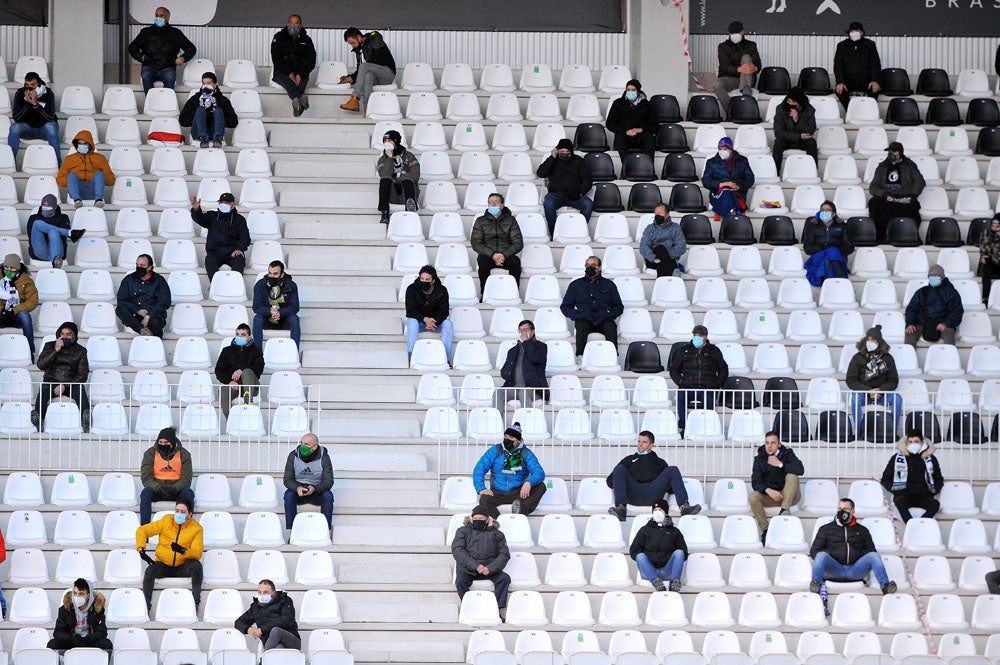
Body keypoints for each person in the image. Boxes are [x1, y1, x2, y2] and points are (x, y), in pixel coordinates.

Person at [607, 431, 702, 521]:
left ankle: (684, 507)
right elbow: (610, 482)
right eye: (639, 441)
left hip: (652, 493)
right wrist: (623, 481)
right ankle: (621, 509)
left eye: (644, 442)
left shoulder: (659, 462)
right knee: (620, 468)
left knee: (672, 469)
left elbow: (671, 489)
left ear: (651, 445)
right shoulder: (628, 460)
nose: (640, 444)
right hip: (633, 493)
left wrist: (661, 483)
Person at [809, 497, 897, 595]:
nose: (842, 511)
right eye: (839, 509)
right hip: (834, 570)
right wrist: (834, 552)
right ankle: (816, 586)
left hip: (855, 570)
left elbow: (871, 551)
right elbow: (814, 552)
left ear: (853, 511)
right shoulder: (826, 529)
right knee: (821, 555)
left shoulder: (862, 530)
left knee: (873, 556)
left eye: (845, 509)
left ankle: (885, 586)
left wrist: (856, 553)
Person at [136, 495, 204, 612]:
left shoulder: (197, 529)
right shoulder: (166, 521)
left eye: (183, 512)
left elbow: (197, 553)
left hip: (183, 566)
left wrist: (182, 551)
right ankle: (146, 605)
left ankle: (195, 602)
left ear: (190, 514)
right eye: (177, 511)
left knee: (196, 566)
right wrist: (141, 549)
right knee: (150, 571)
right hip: (164, 565)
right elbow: (142, 530)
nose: (179, 514)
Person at [472, 423, 546, 517]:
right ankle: (499, 522)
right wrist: (481, 488)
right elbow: (479, 468)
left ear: (518, 441)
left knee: (541, 486)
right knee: (484, 499)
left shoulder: (526, 453)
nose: (507, 439)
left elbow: (539, 472)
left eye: (511, 437)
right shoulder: (496, 450)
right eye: (506, 436)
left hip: (518, 493)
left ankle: (519, 511)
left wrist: (528, 482)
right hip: (497, 492)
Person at [452, 504, 511, 621]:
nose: (478, 521)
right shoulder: (462, 531)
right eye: (476, 518)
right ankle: (467, 607)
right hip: (468, 569)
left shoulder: (497, 534)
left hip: (489, 570)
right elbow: (458, 551)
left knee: (504, 578)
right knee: (460, 581)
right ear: (472, 518)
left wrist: (490, 568)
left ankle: (497, 609)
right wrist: (476, 566)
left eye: (481, 519)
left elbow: (504, 554)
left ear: (487, 519)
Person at [668, 325, 729, 435]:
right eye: (695, 336)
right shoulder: (684, 350)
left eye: (700, 336)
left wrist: (717, 384)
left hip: (707, 387)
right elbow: (674, 369)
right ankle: (683, 426)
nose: (697, 338)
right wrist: (680, 382)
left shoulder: (714, 351)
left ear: (706, 337)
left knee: (709, 400)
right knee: (680, 396)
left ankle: (708, 427)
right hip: (687, 386)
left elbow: (723, 368)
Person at [560, 256, 624, 358]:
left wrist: (608, 314)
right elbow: (565, 306)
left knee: (610, 326)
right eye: (587, 265)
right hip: (585, 319)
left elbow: (618, 306)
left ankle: (613, 356)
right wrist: (578, 315)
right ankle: (580, 357)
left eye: (593, 265)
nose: (590, 267)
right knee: (582, 325)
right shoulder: (576, 285)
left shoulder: (609, 285)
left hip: (603, 319)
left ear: (600, 268)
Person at [33, 322, 90, 432]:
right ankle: (39, 419)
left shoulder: (81, 351)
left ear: (73, 336)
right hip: (51, 380)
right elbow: (41, 365)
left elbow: (83, 375)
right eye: (62, 334)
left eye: (68, 334)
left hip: (70, 383)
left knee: (80, 389)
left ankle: (86, 419)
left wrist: (64, 385)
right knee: (44, 388)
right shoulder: (49, 345)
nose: (64, 337)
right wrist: (55, 350)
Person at [749, 431, 805, 544]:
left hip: (789, 495)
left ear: (779, 444)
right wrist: (767, 490)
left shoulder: (787, 453)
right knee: (753, 496)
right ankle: (766, 530)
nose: (769, 446)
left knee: (792, 475)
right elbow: (755, 481)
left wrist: (780, 464)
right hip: (771, 496)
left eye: (773, 443)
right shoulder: (759, 459)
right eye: (767, 443)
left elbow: (800, 469)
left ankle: (785, 510)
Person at [846, 325, 902, 433]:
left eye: (874, 340)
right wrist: (868, 390)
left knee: (897, 399)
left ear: (879, 342)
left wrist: (880, 390)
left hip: (882, 395)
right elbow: (851, 380)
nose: (871, 342)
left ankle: (892, 430)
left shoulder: (887, 358)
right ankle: (859, 431)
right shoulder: (858, 357)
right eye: (869, 339)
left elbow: (893, 380)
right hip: (864, 395)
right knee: (855, 398)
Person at [127, 6, 196, 93]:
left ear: (168, 17)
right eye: (156, 15)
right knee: (146, 76)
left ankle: (167, 105)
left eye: (161, 15)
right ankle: (150, 103)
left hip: (168, 67)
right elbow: (132, 47)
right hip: (149, 66)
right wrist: (141, 57)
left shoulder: (175, 33)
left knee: (170, 78)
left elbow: (191, 48)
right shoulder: (146, 32)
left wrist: (183, 58)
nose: (158, 18)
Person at [880, 429, 944, 523]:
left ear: (922, 442)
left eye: (916, 441)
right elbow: (885, 479)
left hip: (924, 496)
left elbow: (939, 479)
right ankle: (911, 525)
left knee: (935, 504)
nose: (913, 444)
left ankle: (919, 524)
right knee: (900, 503)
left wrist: (932, 491)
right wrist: (896, 490)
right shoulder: (897, 458)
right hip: (904, 496)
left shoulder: (930, 459)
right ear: (906, 443)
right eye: (910, 442)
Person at [868, 142, 925, 244]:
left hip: (904, 197)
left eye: (894, 151)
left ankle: (908, 235)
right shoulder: (882, 167)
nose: (891, 154)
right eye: (889, 151)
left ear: (900, 152)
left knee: (911, 207)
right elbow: (873, 187)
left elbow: (919, 182)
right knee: (875, 204)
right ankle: (881, 237)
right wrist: (885, 195)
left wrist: (912, 195)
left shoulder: (910, 166)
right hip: (886, 197)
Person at [537, 138, 594, 239]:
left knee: (588, 204)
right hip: (556, 195)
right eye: (562, 151)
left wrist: (581, 192)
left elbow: (587, 179)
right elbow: (541, 173)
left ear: (571, 151)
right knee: (548, 203)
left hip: (575, 195)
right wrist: (552, 157)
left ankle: (579, 231)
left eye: (567, 151)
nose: (564, 153)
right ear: (557, 150)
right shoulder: (553, 160)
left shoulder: (579, 161)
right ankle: (554, 233)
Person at [139, 427, 195, 525]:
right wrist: (158, 487)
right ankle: (145, 529)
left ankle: (187, 526)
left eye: (166, 443)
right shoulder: (150, 453)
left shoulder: (184, 454)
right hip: (157, 490)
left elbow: (186, 478)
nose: (163, 445)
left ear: (172, 442)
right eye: (161, 442)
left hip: (176, 491)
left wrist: (175, 488)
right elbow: (146, 477)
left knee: (188, 493)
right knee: (145, 494)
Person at [471, 193, 523, 297]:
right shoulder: (480, 221)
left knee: (515, 262)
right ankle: (485, 294)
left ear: (502, 205)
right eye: (490, 202)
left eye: (496, 202)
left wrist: (504, 255)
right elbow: (476, 242)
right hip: (489, 255)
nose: (493, 204)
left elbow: (518, 242)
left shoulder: (511, 220)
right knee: (482, 260)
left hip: (506, 255)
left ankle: (513, 294)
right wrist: (492, 255)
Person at [629, 500, 689, 592]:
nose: (657, 512)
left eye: (660, 510)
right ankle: (656, 583)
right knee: (640, 556)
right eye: (655, 510)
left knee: (679, 552)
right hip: (649, 571)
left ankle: (674, 584)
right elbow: (634, 549)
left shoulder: (674, 531)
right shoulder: (645, 530)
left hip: (667, 570)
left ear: (666, 512)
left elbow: (684, 553)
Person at [494, 320, 548, 417]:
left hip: (534, 389)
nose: (523, 332)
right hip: (515, 388)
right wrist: (508, 371)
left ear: (533, 331)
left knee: (524, 392)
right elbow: (504, 374)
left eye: (526, 329)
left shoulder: (541, 347)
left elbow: (536, 358)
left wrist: (527, 342)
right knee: (498, 393)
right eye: (520, 330)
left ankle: (527, 426)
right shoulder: (513, 351)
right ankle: (497, 425)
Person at [190, 192, 251, 278]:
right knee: (209, 260)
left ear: (232, 205)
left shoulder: (239, 219)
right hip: (215, 253)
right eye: (221, 202)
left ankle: (236, 286)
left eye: (226, 203)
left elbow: (245, 237)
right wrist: (196, 209)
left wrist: (239, 249)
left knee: (239, 259)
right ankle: (215, 286)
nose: (223, 205)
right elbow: (200, 219)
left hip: (232, 253)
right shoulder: (212, 216)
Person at [338, 27, 396, 115]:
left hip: (388, 73)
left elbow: (374, 60)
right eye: (351, 45)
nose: (353, 46)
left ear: (359, 37)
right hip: (376, 75)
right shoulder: (362, 48)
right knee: (368, 76)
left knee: (365, 66)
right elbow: (363, 69)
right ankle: (367, 110)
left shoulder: (374, 37)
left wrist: (352, 77)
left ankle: (354, 98)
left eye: (353, 43)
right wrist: (350, 77)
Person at [282, 433, 334, 530]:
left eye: (306, 444)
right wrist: (297, 487)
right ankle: (291, 530)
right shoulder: (293, 456)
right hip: (299, 492)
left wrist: (315, 488)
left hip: (316, 492)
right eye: (301, 443)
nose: (302, 446)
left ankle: (326, 530)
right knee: (288, 495)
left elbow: (328, 481)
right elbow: (287, 479)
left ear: (314, 447)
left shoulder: (324, 458)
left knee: (328, 495)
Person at [8, 72, 61, 164]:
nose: (30, 88)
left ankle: (57, 163)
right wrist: (29, 103)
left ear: (39, 84)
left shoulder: (48, 93)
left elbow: (50, 117)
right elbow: (16, 118)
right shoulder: (20, 93)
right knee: (14, 127)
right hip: (28, 130)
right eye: (27, 85)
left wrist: (35, 104)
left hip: (45, 130)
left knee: (51, 127)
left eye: (33, 85)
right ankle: (10, 162)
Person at [404, 265, 453, 365]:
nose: (424, 281)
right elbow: (410, 310)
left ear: (433, 280)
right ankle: (412, 356)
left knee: (448, 323)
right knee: (412, 322)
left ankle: (446, 358)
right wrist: (424, 319)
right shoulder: (412, 289)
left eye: (427, 279)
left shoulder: (442, 290)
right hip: (419, 322)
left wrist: (434, 321)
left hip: (435, 323)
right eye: (422, 278)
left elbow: (444, 311)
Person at [904, 265, 963, 347]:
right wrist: (910, 323)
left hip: (943, 323)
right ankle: (908, 357)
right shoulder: (921, 292)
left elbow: (957, 311)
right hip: (922, 322)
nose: (933, 277)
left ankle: (949, 358)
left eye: (936, 275)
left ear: (942, 277)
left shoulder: (951, 293)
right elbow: (911, 309)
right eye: (931, 276)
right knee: (910, 332)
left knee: (949, 334)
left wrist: (946, 323)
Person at [46, 578, 111, 652]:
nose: (77, 597)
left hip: (89, 642)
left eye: (81, 594)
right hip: (71, 642)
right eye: (75, 593)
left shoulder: (97, 609)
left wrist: (88, 638)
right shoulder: (65, 609)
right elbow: (58, 632)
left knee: (106, 644)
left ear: (88, 596)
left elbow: (102, 632)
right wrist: (70, 638)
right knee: (53, 644)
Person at [215, 324, 265, 418]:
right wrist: (229, 382)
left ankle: (248, 399)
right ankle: (231, 422)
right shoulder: (227, 351)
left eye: (243, 334)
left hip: (251, 385)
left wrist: (241, 370)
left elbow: (259, 369)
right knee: (224, 392)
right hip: (236, 386)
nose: (239, 336)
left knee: (246, 371)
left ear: (249, 337)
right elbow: (219, 370)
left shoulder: (256, 351)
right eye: (237, 334)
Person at [271, 14, 316, 117]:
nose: (293, 25)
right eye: (290, 22)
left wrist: (300, 74)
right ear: (287, 24)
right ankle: (301, 98)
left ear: (300, 25)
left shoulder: (306, 40)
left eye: (296, 23)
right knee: (287, 80)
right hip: (282, 72)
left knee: (299, 83)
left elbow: (311, 60)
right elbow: (276, 57)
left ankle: (297, 103)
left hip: (301, 72)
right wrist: (289, 72)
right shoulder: (279, 37)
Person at [234, 580, 300, 651]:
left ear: (273, 593)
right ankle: (267, 659)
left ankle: (262, 660)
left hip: (291, 641)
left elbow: (286, 620)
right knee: (278, 648)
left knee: (276, 631)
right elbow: (238, 622)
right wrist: (249, 629)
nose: (262, 595)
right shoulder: (255, 607)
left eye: (265, 592)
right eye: (259, 592)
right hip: (270, 643)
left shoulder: (285, 600)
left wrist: (262, 630)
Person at [56, 130, 115, 208]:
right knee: (72, 175)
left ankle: (98, 200)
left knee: (99, 174)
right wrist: (76, 178)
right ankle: (77, 200)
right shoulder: (69, 159)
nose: (82, 145)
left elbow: (111, 180)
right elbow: (59, 180)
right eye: (80, 143)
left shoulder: (100, 158)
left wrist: (97, 177)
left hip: (94, 190)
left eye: (85, 143)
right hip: (77, 190)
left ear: (90, 144)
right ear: (76, 144)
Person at [116, 253, 171, 337]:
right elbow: (121, 300)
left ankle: (156, 346)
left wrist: (148, 316)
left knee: (156, 322)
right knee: (120, 309)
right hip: (134, 315)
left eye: (142, 265)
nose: (139, 267)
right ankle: (141, 329)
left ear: (149, 267)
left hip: (153, 315)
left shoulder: (159, 280)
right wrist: (138, 310)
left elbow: (164, 302)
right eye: (137, 265)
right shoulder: (128, 279)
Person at [713, 21, 762, 114]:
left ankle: (746, 90)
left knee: (746, 57)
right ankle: (732, 111)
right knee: (717, 84)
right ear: (729, 33)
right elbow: (724, 66)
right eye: (733, 33)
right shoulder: (723, 46)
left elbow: (758, 64)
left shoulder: (751, 45)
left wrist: (754, 68)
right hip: (730, 78)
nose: (735, 35)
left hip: (747, 78)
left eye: (737, 33)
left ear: (743, 32)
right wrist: (739, 69)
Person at [179, 72, 238, 149]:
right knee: (200, 109)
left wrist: (218, 114)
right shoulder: (195, 99)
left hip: (215, 132)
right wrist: (198, 114)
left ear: (215, 85)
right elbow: (183, 121)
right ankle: (203, 138)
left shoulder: (223, 100)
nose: (206, 86)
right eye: (204, 83)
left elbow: (233, 122)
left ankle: (217, 139)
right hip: (198, 133)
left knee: (218, 110)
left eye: (209, 83)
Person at [605, 78, 658, 162]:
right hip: (624, 135)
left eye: (633, 90)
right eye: (628, 90)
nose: (630, 92)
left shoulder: (647, 105)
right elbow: (610, 123)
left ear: (638, 91)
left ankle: (647, 167)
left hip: (641, 135)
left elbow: (655, 126)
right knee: (619, 138)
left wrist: (641, 129)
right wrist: (625, 131)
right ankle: (628, 166)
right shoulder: (618, 103)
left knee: (650, 139)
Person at [252, 260, 301, 350]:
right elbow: (256, 307)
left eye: (275, 274)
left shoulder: (291, 285)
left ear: (282, 274)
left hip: (283, 319)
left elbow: (294, 307)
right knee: (257, 318)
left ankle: (294, 352)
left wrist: (280, 313)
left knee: (294, 318)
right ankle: (257, 354)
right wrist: (270, 311)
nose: (272, 276)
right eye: (270, 273)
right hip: (267, 319)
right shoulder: (260, 284)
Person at [702, 137, 754, 220]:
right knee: (726, 191)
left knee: (730, 193)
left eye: (725, 149)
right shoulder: (711, 162)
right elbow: (706, 181)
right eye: (720, 149)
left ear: (731, 149)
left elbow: (750, 179)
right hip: (719, 195)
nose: (722, 151)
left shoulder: (742, 160)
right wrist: (721, 184)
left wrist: (738, 186)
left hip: (738, 194)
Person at [833, 21, 882, 110]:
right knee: (840, 91)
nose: (854, 33)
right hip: (848, 83)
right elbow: (838, 66)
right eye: (852, 31)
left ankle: (869, 112)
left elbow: (875, 64)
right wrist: (840, 82)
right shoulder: (842, 46)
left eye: (857, 30)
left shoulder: (870, 45)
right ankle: (850, 111)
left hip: (866, 82)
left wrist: (874, 80)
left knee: (874, 90)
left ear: (862, 32)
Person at [27, 193, 84, 269]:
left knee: (53, 232)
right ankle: (70, 233)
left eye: (49, 205)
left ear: (54, 207)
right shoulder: (34, 217)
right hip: (40, 249)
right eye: (44, 205)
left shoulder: (63, 218)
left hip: (57, 250)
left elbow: (63, 238)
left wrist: (48, 229)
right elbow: (31, 235)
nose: (46, 207)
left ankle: (56, 262)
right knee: (37, 223)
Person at [803, 201, 852, 285]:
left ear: (833, 214)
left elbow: (849, 247)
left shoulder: (842, 225)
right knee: (830, 254)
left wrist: (834, 249)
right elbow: (807, 248)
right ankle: (840, 280)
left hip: (838, 256)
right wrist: (823, 247)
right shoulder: (812, 226)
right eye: (822, 210)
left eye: (828, 210)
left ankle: (827, 285)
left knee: (829, 258)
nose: (825, 212)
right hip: (819, 256)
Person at [376, 129, 420, 224]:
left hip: (407, 193)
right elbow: (384, 174)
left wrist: (398, 178)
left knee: (407, 180)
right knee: (385, 180)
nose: (387, 143)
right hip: (392, 194)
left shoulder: (409, 156)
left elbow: (415, 175)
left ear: (396, 141)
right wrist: (390, 158)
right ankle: (385, 213)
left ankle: (411, 208)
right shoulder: (383, 159)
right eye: (385, 141)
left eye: (389, 141)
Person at [0, 253, 38, 361]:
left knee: (25, 317)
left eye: (12, 268)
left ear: (17, 268)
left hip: (16, 315)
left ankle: (30, 352)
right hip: (1, 314)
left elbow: (33, 301)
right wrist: (2, 310)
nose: (8, 270)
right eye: (6, 267)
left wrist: (14, 310)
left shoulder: (26, 281)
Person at [771, 87, 817, 173]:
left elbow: (811, 129)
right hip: (787, 140)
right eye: (789, 101)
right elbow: (778, 132)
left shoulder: (809, 109)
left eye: (793, 102)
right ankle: (775, 172)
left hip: (803, 141)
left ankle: (813, 171)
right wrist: (799, 136)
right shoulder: (781, 108)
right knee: (778, 143)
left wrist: (797, 120)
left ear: (799, 102)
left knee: (812, 142)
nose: (790, 103)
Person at [639, 203, 686, 277]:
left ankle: (661, 281)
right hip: (653, 260)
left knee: (662, 257)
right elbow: (643, 246)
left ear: (667, 215)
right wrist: (653, 258)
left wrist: (665, 256)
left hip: (670, 258)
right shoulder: (650, 228)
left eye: (660, 213)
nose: (657, 216)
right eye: (656, 214)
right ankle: (673, 272)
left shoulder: (675, 228)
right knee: (660, 247)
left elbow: (681, 247)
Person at [978, 213, 1000, 305]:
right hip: (990, 265)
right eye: (993, 226)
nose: (994, 229)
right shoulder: (985, 233)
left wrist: (991, 258)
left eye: (998, 227)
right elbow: (984, 252)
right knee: (986, 267)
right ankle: (985, 298)